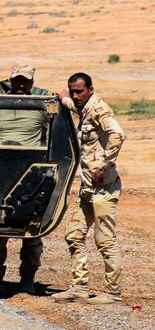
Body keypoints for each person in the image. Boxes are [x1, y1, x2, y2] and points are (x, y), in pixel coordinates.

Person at [51, 73, 125, 305]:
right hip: (87, 188)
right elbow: (73, 104)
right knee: (73, 235)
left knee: (105, 240)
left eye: (79, 91)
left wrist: (104, 165)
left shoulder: (99, 110)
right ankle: (79, 288)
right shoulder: (82, 107)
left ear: (90, 89)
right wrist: (63, 99)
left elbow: (118, 134)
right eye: (72, 90)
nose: (75, 95)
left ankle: (112, 293)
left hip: (104, 187)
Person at [0, 64, 50, 295]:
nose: (21, 85)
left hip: (32, 170)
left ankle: (27, 280)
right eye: (17, 81)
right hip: (1, 167)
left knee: (32, 232)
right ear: (10, 81)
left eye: (26, 81)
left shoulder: (41, 104)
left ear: (32, 83)